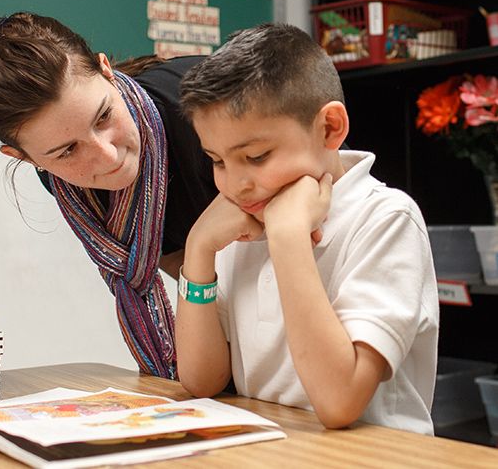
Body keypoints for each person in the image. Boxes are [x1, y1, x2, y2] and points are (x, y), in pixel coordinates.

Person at [176, 23, 439, 435]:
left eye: (257, 156)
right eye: (218, 161)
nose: (236, 185)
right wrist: (199, 249)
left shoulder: (386, 218)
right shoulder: (246, 218)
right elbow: (200, 381)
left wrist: (287, 239)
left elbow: (339, 403)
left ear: (330, 128)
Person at [0, 12, 217, 380]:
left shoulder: (206, 107)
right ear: (26, 159)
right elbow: (196, 275)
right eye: (66, 151)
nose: (107, 156)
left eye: (103, 117)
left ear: (106, 70)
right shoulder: (67, 186)